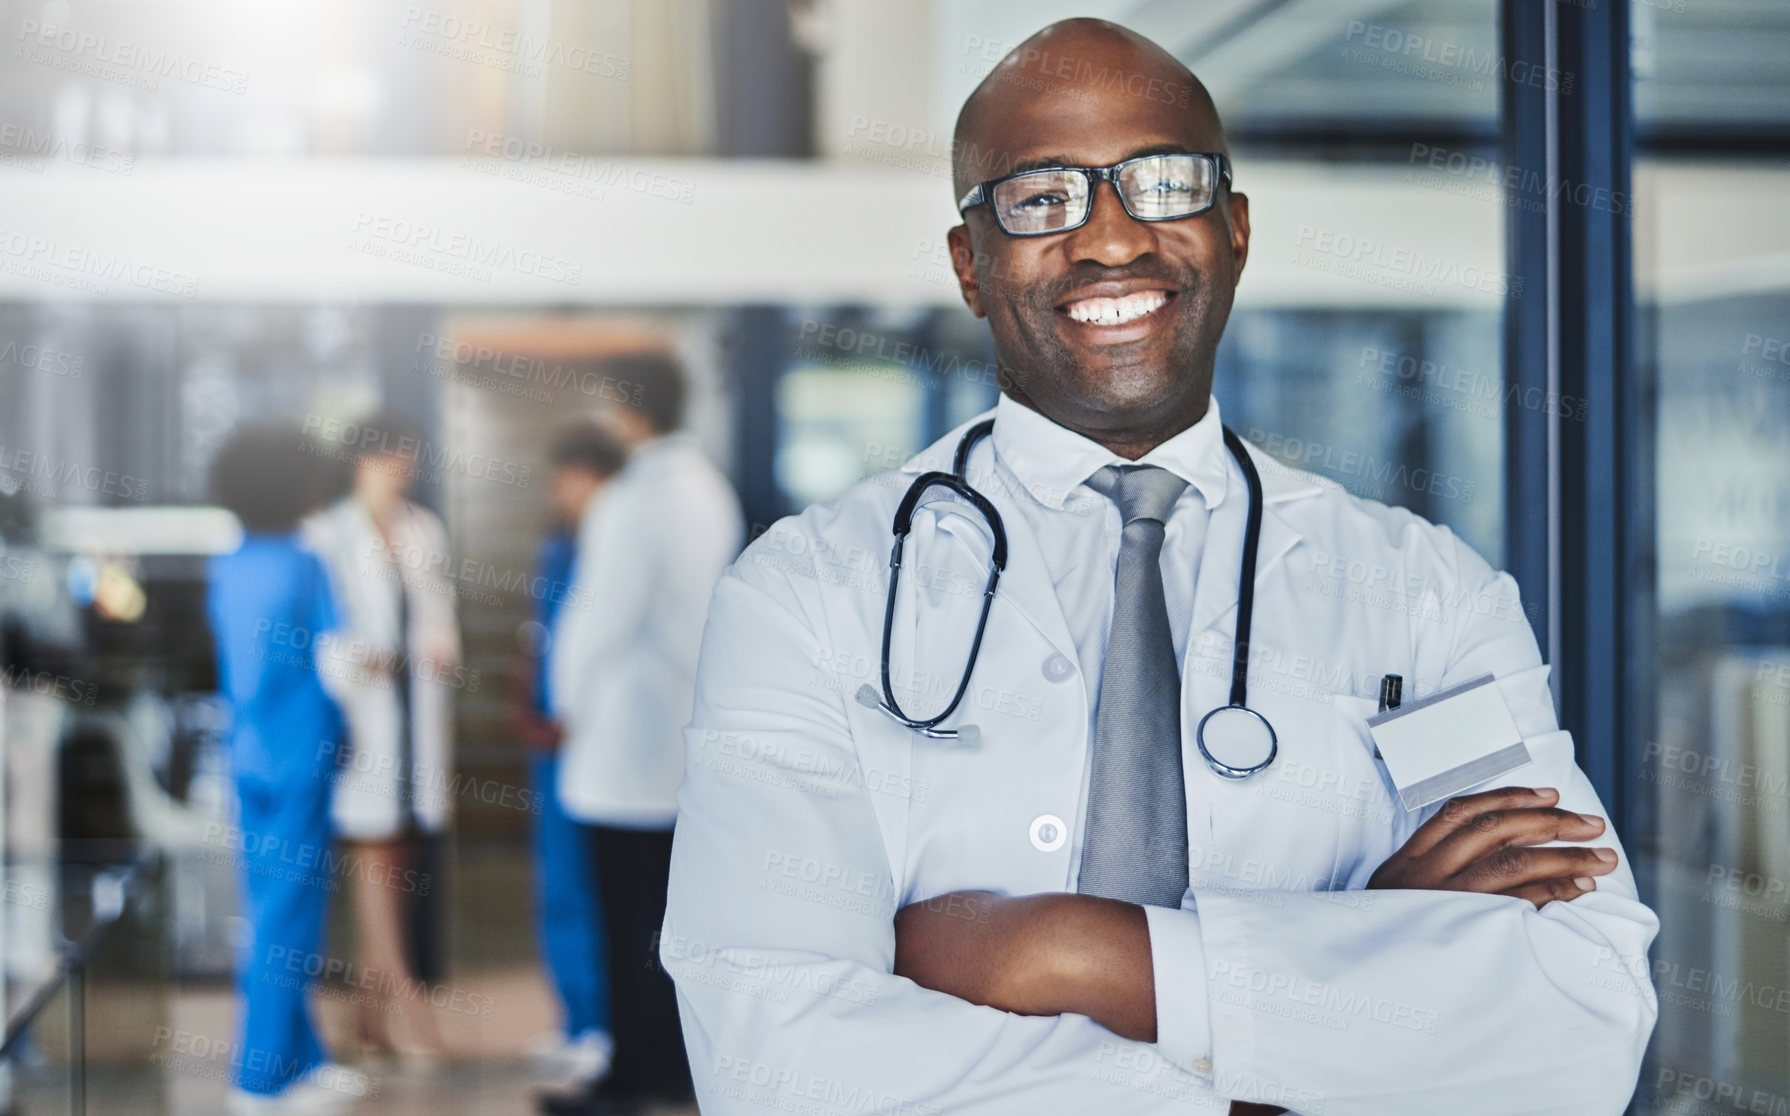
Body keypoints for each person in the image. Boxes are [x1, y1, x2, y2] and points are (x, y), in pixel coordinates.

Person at [661, 19, 1658, 1116]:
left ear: (1232, 228)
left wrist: (1068, 954)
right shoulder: (806, 592)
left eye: (1161, 182)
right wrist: (1331, 982)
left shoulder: (1423, 593)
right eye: (1039, 197)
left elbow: (1579, 1016)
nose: (1107, 237)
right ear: (969, 266)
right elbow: (773, 1056)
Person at [542, 353, 744, 1115]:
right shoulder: (707, 489)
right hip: (687, 736)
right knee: (671, 922)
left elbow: (597, 619)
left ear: (626, 412)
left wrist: (559, 702)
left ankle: (632, 1078)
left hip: (626, 743)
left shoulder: (631, 499)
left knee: (627, 922)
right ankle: (671, 1067)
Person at [206, 425, 365, 1114]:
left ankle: (302, 1058)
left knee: (273, 908)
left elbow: (244, 671)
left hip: (249, 757)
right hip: (301, 758)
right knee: (287, 920)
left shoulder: (230, 562)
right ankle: (260, 1078)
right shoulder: (305, 563)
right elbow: (338, 657)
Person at [304, 411, 460, 1060]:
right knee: (375, 859)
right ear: (359, 460)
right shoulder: (325, 534)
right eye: (388, 454)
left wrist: (439, 648)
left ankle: (365, 1028)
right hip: (362, 724)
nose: (400, 466)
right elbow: (316, 635)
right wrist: (355, 660)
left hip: (414, 720)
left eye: (407, 454)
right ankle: (411, 1010)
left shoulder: (424, 529)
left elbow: (440, 614)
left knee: (398, 865)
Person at [509, 423, 628, 1088]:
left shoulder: (616, 547)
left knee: (590, 883)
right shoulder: (558, 548)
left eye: (569, 478)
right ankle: (575, 1017)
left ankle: (603, 1025)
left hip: (597, 738)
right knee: (557, 882)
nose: (561, 491)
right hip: (551, 739)